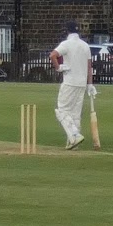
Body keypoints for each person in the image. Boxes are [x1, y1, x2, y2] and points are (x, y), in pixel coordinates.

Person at [49, 21, 92, 150]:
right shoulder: (85, 46)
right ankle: (73, 143)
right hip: (82, 84)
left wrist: (58, 68)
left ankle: (74, 135)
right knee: (75, 114)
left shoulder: (66, 44)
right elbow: (89, 67)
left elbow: (53, 55)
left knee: (62, 111)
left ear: (66, 31)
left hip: (70, 82)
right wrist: (90, 84)